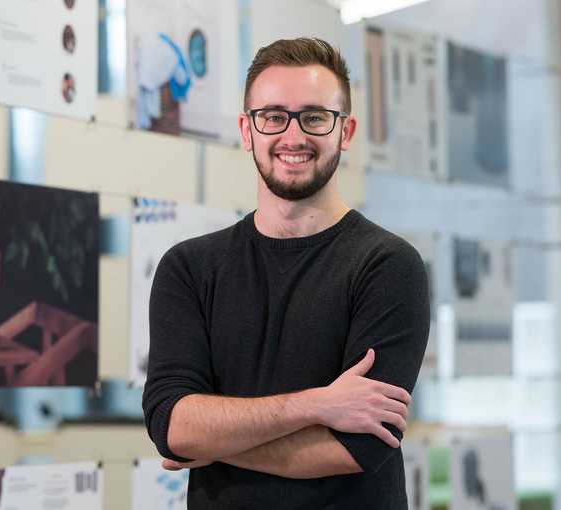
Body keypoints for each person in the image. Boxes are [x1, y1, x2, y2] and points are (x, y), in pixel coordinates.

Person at [142, 37, 430, 509]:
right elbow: (171, 424)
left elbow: (358, 447)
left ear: (346, 131)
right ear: (247, 129)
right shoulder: (190, 269)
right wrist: (318, 404)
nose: (293, 137)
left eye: (315, 117)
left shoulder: (388, 266)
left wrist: (214, 443)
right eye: (274, 116)